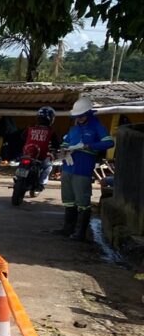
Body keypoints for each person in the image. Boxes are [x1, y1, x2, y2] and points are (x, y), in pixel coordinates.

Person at [57, 98, 114, 240]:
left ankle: (81, 233)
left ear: (89, 113)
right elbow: (65, 141)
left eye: (81, 116)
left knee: (82, 201)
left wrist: (91, 146)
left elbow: (109, 142)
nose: (79, 119)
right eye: (77, 117)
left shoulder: (97, 127)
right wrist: (64, 149)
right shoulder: (74, 129)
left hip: (83, 169)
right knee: (68, 200)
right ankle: (67, 228)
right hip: (68, 168)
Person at [21, 106, 59, 194]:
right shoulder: (51, 131)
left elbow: (22, 137)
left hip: (26, 154)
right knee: (48, 167)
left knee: (21, 162)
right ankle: (41, 183)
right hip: (41, 156)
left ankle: (18, 177)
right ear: (51, 119)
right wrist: (55, 149)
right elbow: (56, 145)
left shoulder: (30, 128)